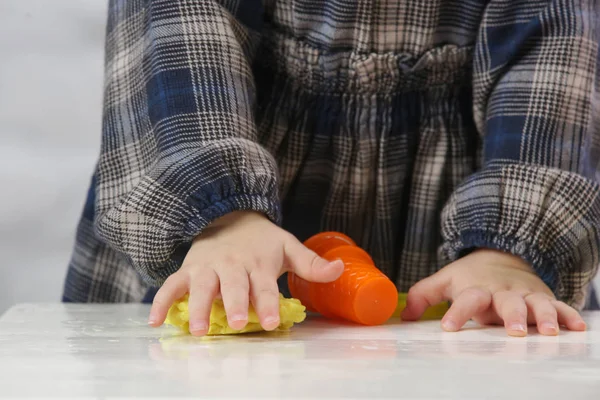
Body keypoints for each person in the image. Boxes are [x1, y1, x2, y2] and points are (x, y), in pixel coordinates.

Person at [64, 0, 600, 337]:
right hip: (221, 211)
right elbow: (176, 27)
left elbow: (558, 59)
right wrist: (219, 214)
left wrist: (511, 250)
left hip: (461, 246)